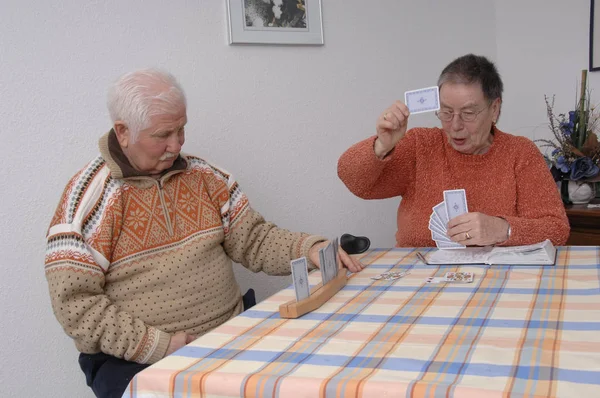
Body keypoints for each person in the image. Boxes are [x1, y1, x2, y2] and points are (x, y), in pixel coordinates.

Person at [44, 69, 364, 398]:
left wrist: (309, 248)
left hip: (229, 339)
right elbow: (75, 305)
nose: (177, 144)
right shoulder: (89, 200)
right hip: (139, 363)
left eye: (181, 129)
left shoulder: (206, 176)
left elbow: (253, 240)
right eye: (163, 134)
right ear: (123, 132)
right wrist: (156, 346)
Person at [338, 54, 569, 248]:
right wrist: (382, 144)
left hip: (495, 284)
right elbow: (355, 182)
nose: (455, 126)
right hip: (419, 283)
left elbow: (557, 229)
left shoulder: (520, 153)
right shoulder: (421, 145)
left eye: (468, 113)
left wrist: (503, 229)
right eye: (446, 112)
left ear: (494, 109)